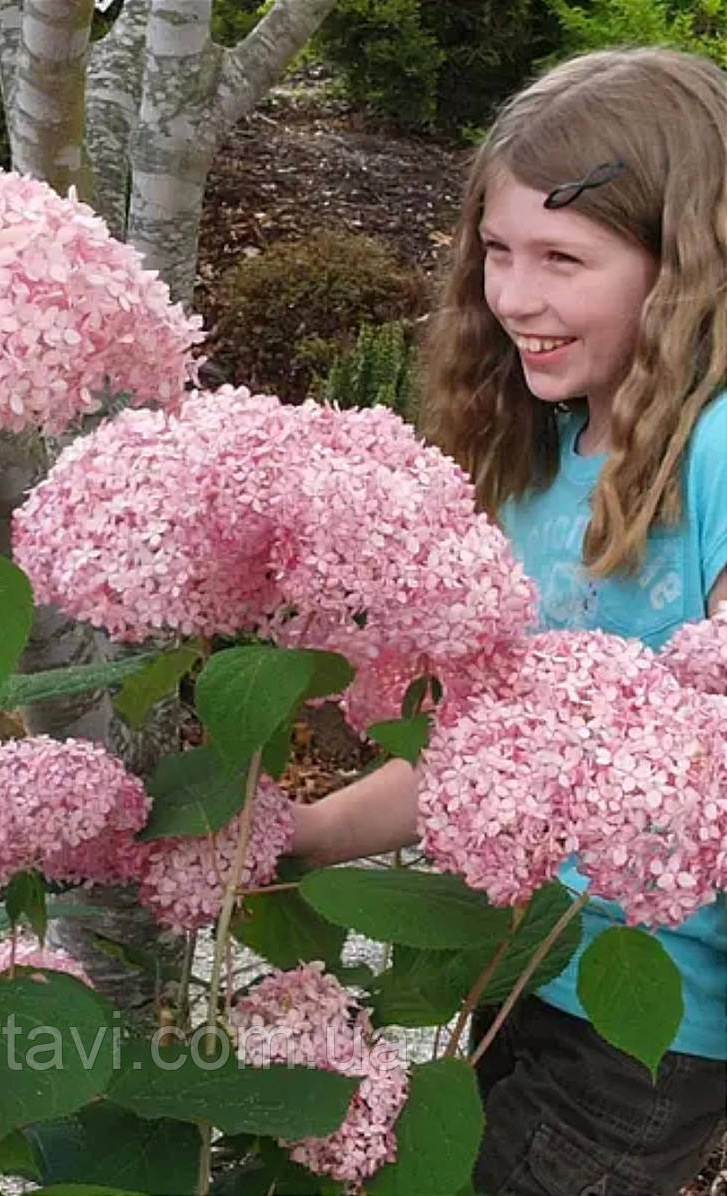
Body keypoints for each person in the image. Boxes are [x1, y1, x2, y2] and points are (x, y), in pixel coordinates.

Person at [289, 47, 727, 1196]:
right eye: (495, 251)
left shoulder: (719, 455)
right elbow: (473, 751)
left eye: (562, 259)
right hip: (502, 956)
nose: (513, 297)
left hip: (650, 1025)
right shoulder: (534, 459)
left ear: (684, 268)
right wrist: (293, 842)